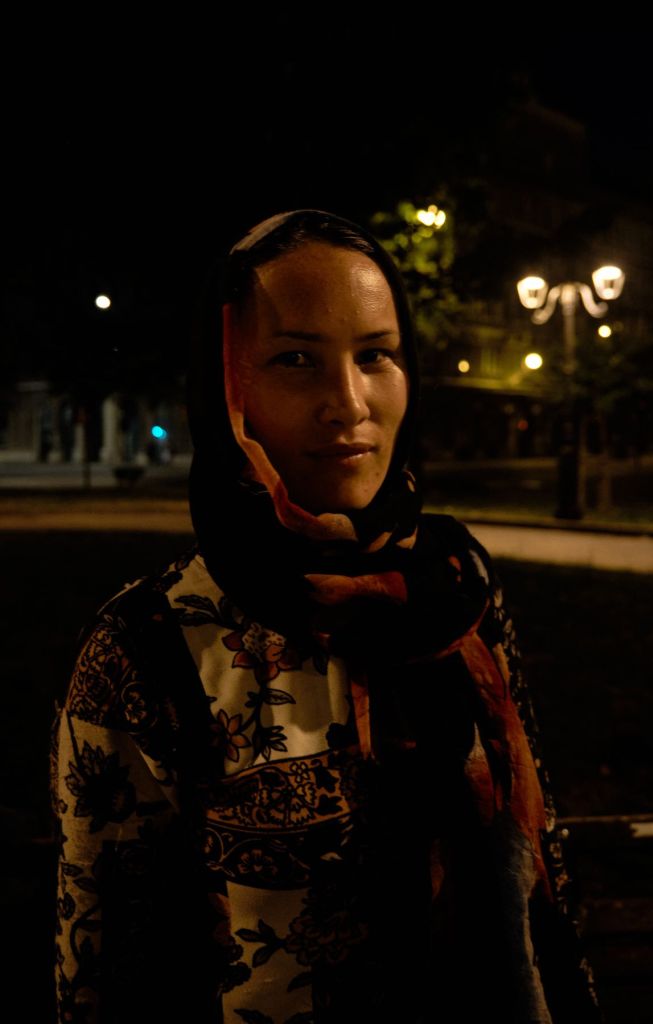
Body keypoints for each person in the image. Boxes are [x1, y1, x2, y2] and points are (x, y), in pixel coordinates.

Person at [52, 210, 601, 1023]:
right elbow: (107, 976)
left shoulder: (455, 591)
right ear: (227, 386)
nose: (348, 404)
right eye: (296, 359)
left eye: (375, 355)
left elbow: (538, 881)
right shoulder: (149, 643)